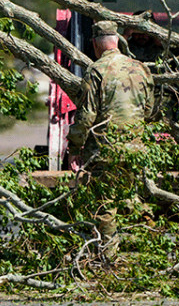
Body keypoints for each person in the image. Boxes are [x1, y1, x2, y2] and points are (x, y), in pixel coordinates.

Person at [66, 20, 155, 262]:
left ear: (96, 44)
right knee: (130, 200)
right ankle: (147, 250)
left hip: (106, 151)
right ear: (117, 41)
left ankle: (109, 259)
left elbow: (86, 115)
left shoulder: (96, 70)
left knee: (105, 207)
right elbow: (148, 111)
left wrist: (74, 148)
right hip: (135, 148)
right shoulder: (141, 69)